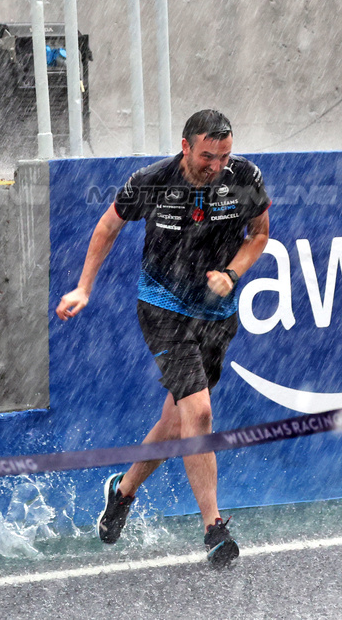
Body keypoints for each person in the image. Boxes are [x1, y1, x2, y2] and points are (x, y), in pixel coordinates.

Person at [56, 109, 270, 568]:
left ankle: (123, 489)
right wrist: (84, 286)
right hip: (162, 308)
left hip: (216, 314)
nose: (216, 166)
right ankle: (213, 528)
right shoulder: (153, 180)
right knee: (200, 411)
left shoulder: (245, 177)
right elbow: (109, 226)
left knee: (176, 424)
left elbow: (260, 236)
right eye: (208, 156)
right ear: (186, 147)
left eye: (224, 156)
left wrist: (233, 272)